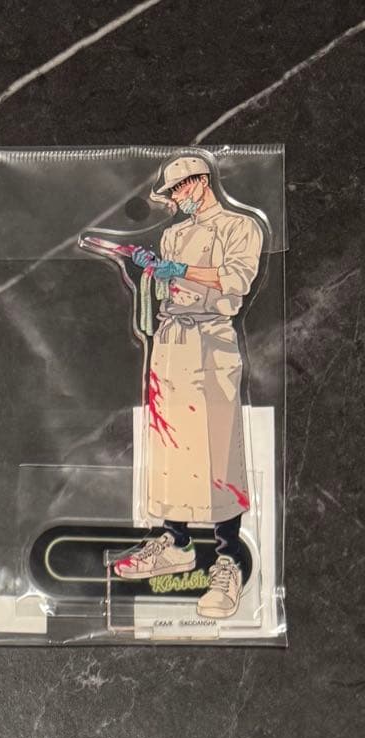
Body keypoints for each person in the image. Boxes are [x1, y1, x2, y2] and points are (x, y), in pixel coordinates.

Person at [112, 153, 263, 619]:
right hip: (171, 338)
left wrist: (178, 270)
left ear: (199, 182)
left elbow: (236, 280)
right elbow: (166, 290)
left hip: (211, 340)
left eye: (177, 190)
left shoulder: (240, 226)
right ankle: (175, 541)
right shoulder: (173, 235)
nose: (174, 200)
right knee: (170, 447)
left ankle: (228, 558)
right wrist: (147, 270)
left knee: (218, 448)